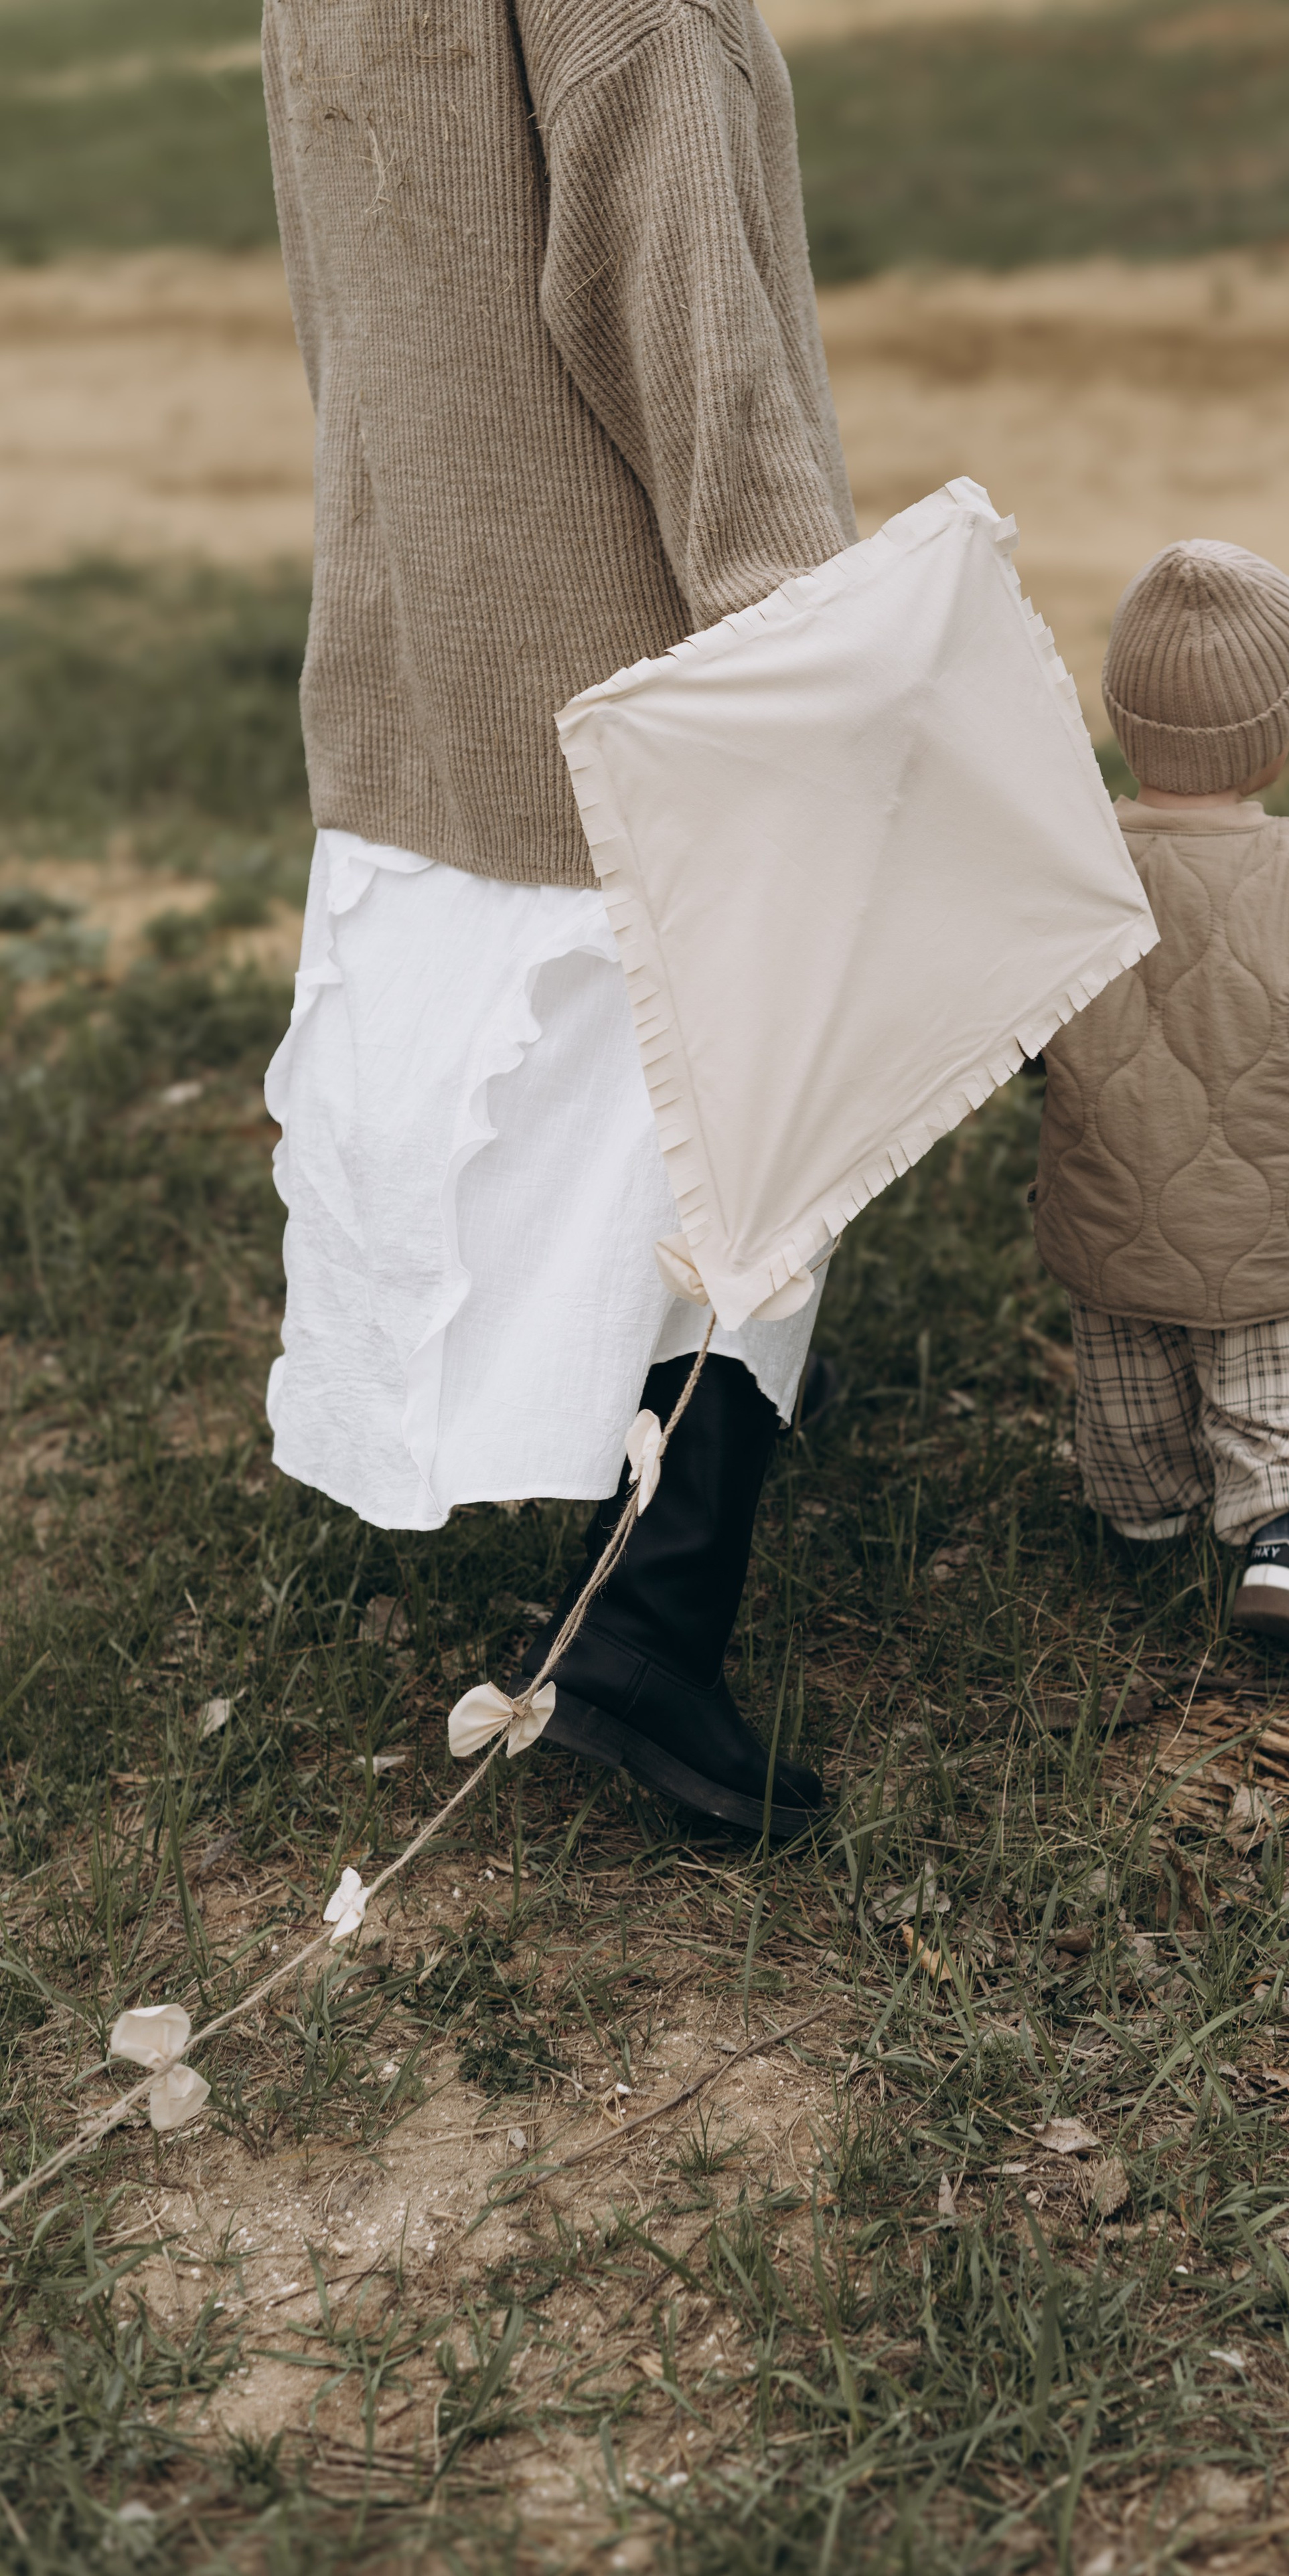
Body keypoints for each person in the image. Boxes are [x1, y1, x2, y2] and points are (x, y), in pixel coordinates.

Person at [259, 0, 855, 1830]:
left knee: (565, 1104)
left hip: (426, 606)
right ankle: (642, 1634)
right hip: (621, 626)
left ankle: (591, 1516)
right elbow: (670, 279)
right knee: (759, 1102)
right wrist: (797, 622)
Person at [1033, 540, 1289, 1654]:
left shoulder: (1069, 865)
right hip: (1266, 1231)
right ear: (1279, 732)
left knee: (1130, 1393)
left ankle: (1146, 1516)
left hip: (1103, 1221)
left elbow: (1011, 1020)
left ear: (1119, 712)